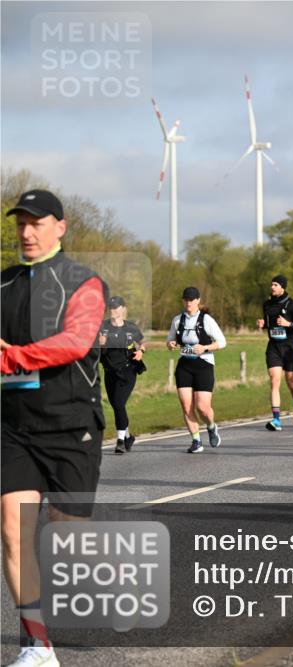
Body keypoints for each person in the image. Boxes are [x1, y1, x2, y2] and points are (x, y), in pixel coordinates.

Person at [2, 190, 108, 667]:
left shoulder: (83, 282)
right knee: (13, 529)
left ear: (60, 227)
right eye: (20, 223)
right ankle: (37, 645)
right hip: (13, 426)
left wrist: (12, 356)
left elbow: (76, 341)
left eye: (36, 223)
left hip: (70, 425)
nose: (26, 232)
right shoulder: (2, 284)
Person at [167, 287, 227, 453]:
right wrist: (171, 344)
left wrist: (206, 348)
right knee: (187, 407)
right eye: (186, 299)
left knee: (203, 408)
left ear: (198, 300)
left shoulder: (206, 320)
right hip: (185, 366)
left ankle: (211, 426)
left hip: (204, 365)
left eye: (192, 299)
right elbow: (170, 340)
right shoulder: (178, 320)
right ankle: (196, 440)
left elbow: (222, 342)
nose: (189, 302)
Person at [257, 275, 293, 432]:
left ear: (283, 287)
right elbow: (269, 323)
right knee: (274, 381)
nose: (272, 287)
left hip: (289, 347)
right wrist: (263, 324)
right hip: (273, 347)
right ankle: (276, 419)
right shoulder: (266, 304)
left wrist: (288, 324)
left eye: (276, 285)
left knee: (290, 382)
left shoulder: (291, 305)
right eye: (272, 284)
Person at [99, 296, 146, 454]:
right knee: (116, 406)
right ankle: (128, 437)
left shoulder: (130, 328)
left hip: (128, 370)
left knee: (118, 404)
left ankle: (120, 441)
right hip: (109, 371)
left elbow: (142, 341)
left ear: (123, 309)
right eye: (111, 307)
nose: (113, 310)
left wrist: (141, 351)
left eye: (117, 307)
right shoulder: (102, 327)